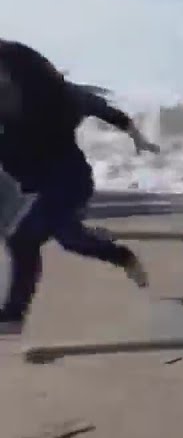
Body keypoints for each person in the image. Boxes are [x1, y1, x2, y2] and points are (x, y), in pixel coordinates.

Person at [0, 39, 160, 337]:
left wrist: (138, 138)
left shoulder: (64, 99)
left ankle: (122, 256)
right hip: (35, 190)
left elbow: (110, 113)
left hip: (69, 182)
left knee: (61, 238)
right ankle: (13, 316)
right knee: (25, 239)